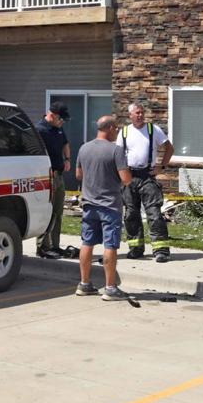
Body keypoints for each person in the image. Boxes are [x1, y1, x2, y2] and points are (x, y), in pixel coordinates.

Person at [75, 115, 132, 301]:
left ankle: (84, 284)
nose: (117, 132)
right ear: (109, 128)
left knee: (87, 243)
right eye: (116, 128)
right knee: (110, 245)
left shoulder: (84, 148)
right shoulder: (116, 151)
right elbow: (126, 179)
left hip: (89, 204)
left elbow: (78, 174)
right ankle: (110, 288)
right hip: (109, 205)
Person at [115, 101, 174, 262]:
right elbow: (118, 155)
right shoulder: (124, 132)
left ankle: (161, 250)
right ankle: (136, 248)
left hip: (148, 176)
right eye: (137, 113)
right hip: (130, 177)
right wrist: (121, 175)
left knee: (154, 214)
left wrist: (161, 167)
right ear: (130, 116)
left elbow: (169, 148)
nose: (140, 115)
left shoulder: (153, 130)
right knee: (131, 214)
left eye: (142, 112)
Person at [35, 101, 71, 258]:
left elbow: (65, 143)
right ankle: (42, 246)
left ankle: (55, 246)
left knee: (58, 212)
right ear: (52, 115)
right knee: (48, 212)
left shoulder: (58, 128)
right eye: (60, 119)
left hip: (59, 175)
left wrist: (68, 159)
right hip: (47, 177)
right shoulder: (39, 130)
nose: (62, 122)